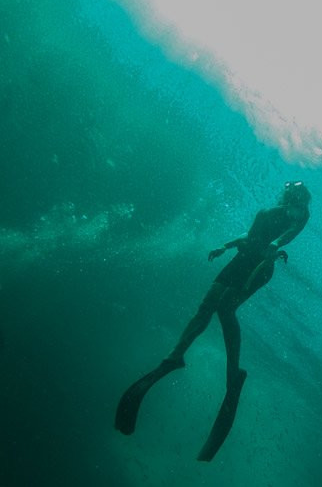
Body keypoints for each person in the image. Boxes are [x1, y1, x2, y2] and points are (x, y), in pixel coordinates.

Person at [115, 181, 311, 461]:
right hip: (240, 259)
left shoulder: (298, 213)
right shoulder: (272, 210)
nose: (291, 195)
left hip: (259, 266)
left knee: (226, 310)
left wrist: (275, 245)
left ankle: (234, 371)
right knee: (206, 306)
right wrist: (225, 245)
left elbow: (289, 233)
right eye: (291, 192)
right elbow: (251, 234)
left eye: (296, 194)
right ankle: (175, 356)